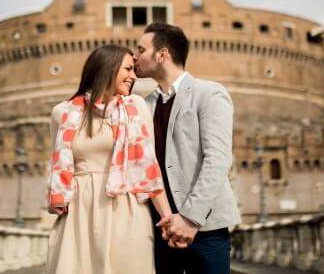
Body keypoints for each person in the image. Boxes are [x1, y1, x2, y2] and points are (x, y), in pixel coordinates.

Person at [46, 44, 181, 274]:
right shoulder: (62, 113)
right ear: (108, 67)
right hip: (80, 212)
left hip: (126, 209)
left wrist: (168, 218)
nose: (133, 76)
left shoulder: (136, 107)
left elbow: (149, 168)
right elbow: (59, 166)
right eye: (128, 69)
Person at [134, 23, 241, 274]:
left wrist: (190, 218)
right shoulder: (143, 106)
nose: (134, 56)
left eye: (140, 49)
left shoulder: (209, 93)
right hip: (159, 230)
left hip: (206, 229)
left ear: (162, 55)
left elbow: (218, 160)